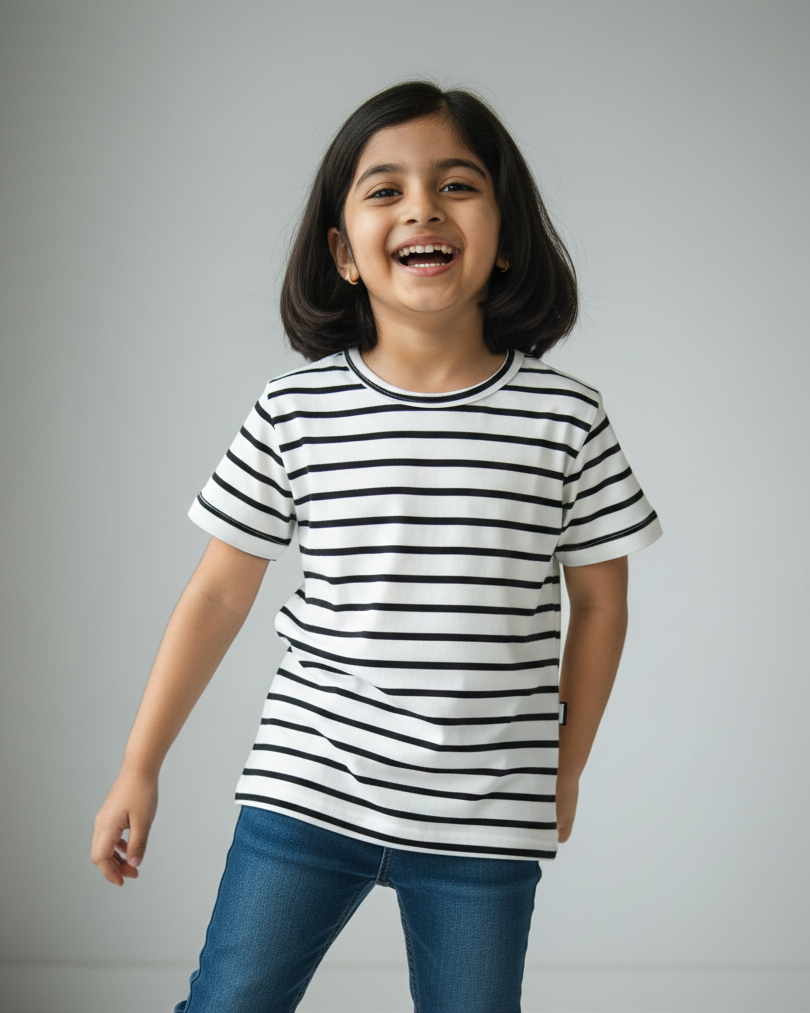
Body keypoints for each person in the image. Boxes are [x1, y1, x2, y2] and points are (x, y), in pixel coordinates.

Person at [91, 80, 662, 1013]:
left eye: (457, 185)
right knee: (230, 1001)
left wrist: (565, 769)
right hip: (308, 786)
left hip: (486, 812)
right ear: (343, 252)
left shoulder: (568, 418)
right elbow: (217, 596)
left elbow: (602, 604)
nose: (422, 207)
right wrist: (138, 764)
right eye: (384, 189)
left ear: (507, 235)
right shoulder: (293, 410)